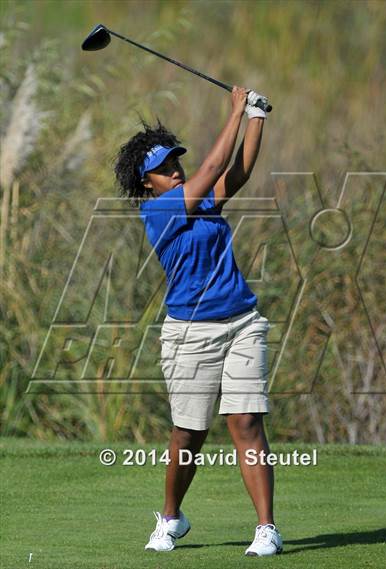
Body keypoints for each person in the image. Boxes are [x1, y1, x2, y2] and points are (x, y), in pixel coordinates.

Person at [114, 87, 282, 557]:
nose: (176, 170)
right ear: (147, 182)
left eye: (176, 163)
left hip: (242, 322)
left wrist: (256, 117)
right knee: (188, 433)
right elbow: (211, 171)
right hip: (189, 333)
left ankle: (267, 528)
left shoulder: (201, 199)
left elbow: (237, 173)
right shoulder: (159, 210)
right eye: (165, 168)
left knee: (246, 420)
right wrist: (234, 110)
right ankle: (171, 517)